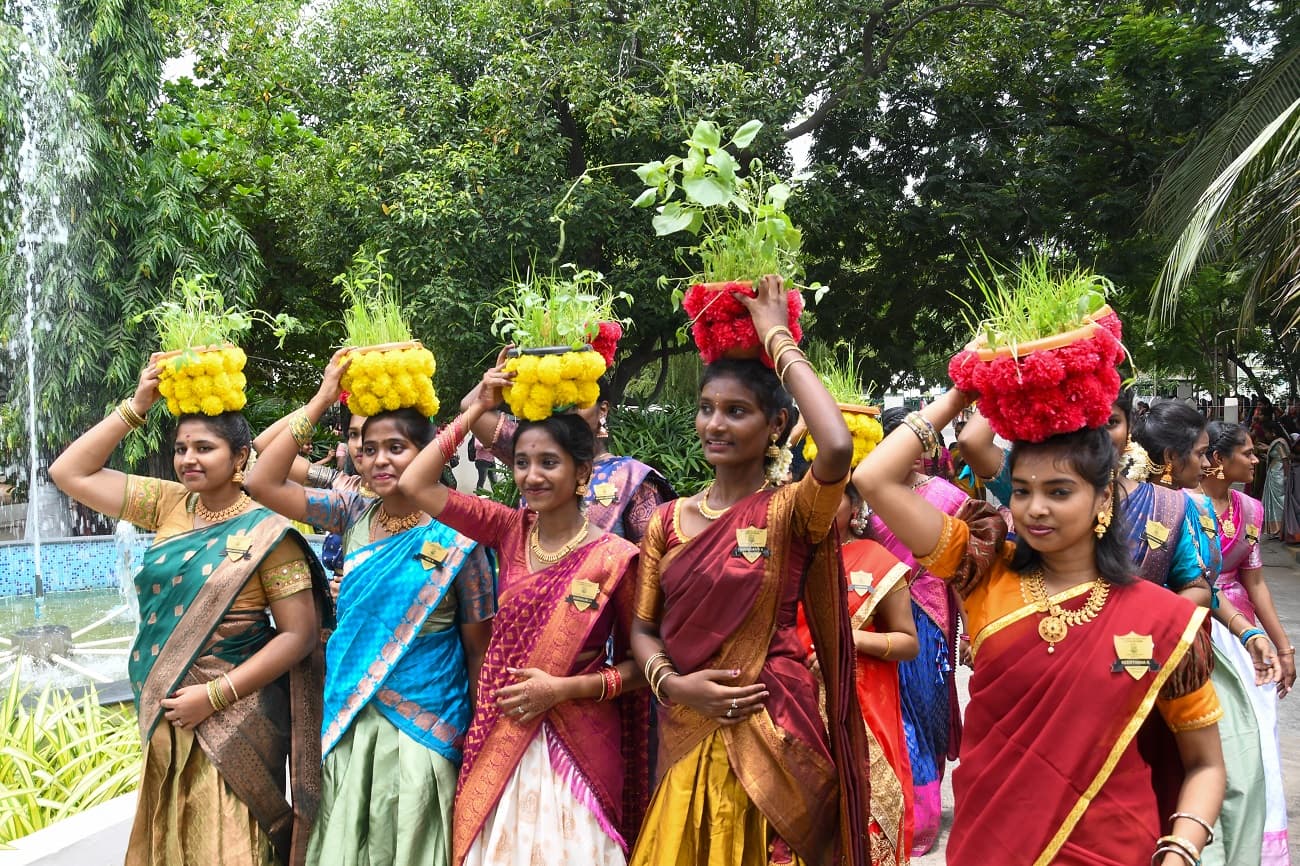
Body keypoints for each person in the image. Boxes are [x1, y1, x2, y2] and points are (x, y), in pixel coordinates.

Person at [856, 389, 1225, 865]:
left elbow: (1206, 764)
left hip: (1114, 850)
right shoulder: (984, 569)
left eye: (1059, 491)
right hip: (992, 845)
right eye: (1024, 489)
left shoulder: (1166, 620)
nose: (1034, 509)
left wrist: (1180, 850)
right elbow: (872, 477)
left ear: (1103, 495)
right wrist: (963, 392)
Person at [627, 275, 870, 866]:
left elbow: (836, 447)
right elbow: (642, 630)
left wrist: (776, 337)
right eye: (707, 409)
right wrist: (673, 685)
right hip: (687, 724)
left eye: (737, 411)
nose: (716, 424)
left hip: (773, 726)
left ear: (777, 427)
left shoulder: (792, 511)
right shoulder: (667, 521)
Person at [49, 363, 331, 866]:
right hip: (167, 707)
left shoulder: (270, 532)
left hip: (236, 714)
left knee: (228, 841)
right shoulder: (168, 504)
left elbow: (299, 636)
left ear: (240, 456)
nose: (188, 460)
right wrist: (136, 408)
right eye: (181, 449)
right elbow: (68, 472)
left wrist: (214, 695)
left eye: (204, 448)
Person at [244, 351, 496, 866]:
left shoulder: (461, 536)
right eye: (370, 449)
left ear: (430, 452)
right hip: (352, 713)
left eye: (398, 448)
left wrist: (480, 736)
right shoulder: (352, 509)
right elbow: (260, 479)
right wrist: (322, 396)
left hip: (428, 722)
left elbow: (479, 649)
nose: (381, 460)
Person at [394, 358, 647, 866]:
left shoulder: (615, 558)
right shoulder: (508, 529)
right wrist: (475, 412)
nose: (531, 476)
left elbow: (644, 668)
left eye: (548, 463)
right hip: (500, 733)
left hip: (578, 741)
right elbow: (415, 485)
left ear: (582, 472)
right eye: (522, 462)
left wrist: (563, 689)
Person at [1134, 399, 1280, 866]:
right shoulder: (1123, 504)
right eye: (1199, 453)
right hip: (1141, 657)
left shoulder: (1194, 506)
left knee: (1239, 772)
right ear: (1172, 459)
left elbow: (1203, 588)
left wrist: (1245, 632)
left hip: (1193, 649)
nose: (1206, 462)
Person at [796, 482, 918, 864]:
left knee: (865, 821)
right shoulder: (784, 561)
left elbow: (907, 642)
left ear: (855, 506)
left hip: (862, 713)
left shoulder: (876, 560)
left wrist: (852, 640)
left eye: (834, 499)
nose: (822, 508)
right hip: (795, 711)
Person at [866, 406, 968, 856]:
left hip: (931, 623)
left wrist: (971, 632)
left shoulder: (948, 498)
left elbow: (965, 570)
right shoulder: (865, 499)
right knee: (893, 717)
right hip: (879, 621)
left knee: (925, 718)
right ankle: (900, 813)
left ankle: (922, 817)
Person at [1203, 421, 1294, 865]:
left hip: (1245, 640)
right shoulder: (1181, 506)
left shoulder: (1252, 511)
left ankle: (1255, 843)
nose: (1256, 460)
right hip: (1195, 628)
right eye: (1248, 454)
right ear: (1217, 460)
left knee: (1257, 735)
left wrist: (1283, 647)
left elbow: (1255, 583)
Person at [461, 378, 675, 543]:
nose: (566, 412)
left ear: (603, 409)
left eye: (578, 402)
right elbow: (470, 407)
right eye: (559, 402)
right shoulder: (535, 459)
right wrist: (515, 368)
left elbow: (649, 573)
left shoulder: (633, 479)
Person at [1258, 422, 1291, 539]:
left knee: (1279, 503)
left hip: (1278, 475)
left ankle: (1280, 528)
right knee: (1275, 502)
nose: (1266, 435)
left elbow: (1285, 460)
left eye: (1267, 432)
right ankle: (1276, 529)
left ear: (1273, 432)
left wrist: (1286, 477)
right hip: (1274, 473)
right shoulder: (1278, 442)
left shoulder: (1279, 443)